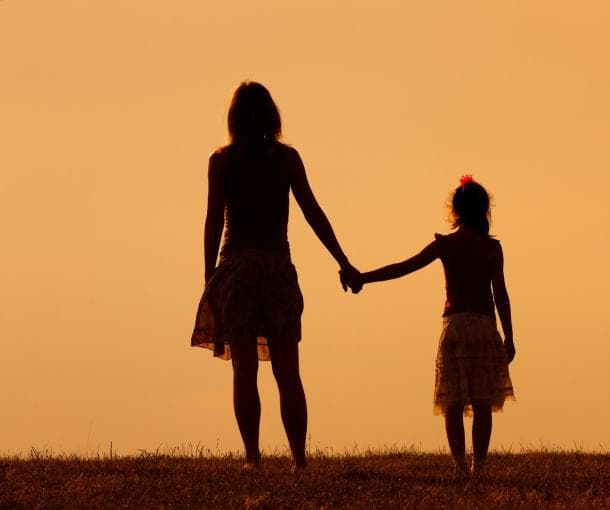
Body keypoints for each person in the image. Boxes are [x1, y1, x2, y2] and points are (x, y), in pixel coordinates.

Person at [191, 82, 360, 471]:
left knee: (245, 370)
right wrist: (343, 260)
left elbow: (213, 220)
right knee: (288, 372)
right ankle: (298, 459)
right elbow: (313, 212)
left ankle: (253, 458)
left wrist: (209, 276)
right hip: (277, 269)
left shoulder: (223, 161)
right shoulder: (285, 159)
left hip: (236, 269)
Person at [356, 175, 515, 480]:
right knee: (482, 403)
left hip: (454, 327)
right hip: (483, 327)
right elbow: (501, 294)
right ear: (484, 210)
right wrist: (509, 335)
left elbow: (404, 267)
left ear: (455, 211)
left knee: (452, 402)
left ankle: (459, 468)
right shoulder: (492, 249)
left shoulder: (447, 245)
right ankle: (478, 469)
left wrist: (364, 277)